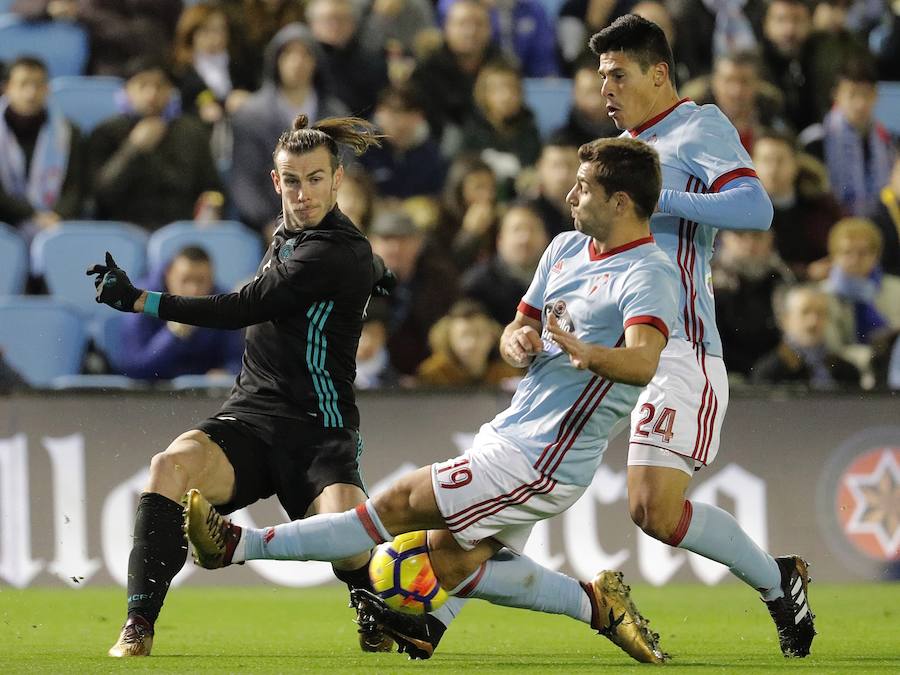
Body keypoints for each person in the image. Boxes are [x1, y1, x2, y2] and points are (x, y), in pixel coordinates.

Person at [184, 136, 678, 665]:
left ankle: (238, 544)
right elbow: (520, 328)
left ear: (621, 202)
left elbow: (644, 361)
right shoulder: (563, 248)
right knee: (450, 566)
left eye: (584, 188)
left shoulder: (648, 273)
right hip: (513, 430)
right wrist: (516, 342)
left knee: (397, 506)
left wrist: (588, 353)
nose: (570, 195)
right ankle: (597, 606)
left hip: (548, 455)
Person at [87, 115, 395, 657]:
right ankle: (138, 625)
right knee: (169, 467)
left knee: (348, 538)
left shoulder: (337, 251)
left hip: (320, 429)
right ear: (276, 183)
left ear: (338, 178)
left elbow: (244, 308)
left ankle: (375, 606)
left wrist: (142, 300)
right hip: (252, 418)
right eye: (292, 181)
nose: (303, 194)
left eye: (316, 179)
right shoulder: (290, 238)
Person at [589, 15, 815, 657]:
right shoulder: (622, 148)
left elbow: (755, 208)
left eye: (618, 75)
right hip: (619, 346)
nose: (606, 88)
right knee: (535, 468)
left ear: (658, 73)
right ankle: (440, 601)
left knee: (652, 512)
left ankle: (778, 581)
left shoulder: (699, 126)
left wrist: (660, 200)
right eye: (601, 77)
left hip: (679, 346)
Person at [230, 23, 349, 231]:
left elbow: (346, 171)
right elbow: (244, 182)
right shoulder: (250, 115)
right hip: (267, 225)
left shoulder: (336, 114)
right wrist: (270, 224)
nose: (297, 62)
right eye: (288, 54)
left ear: (317, 62)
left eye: (306, 55)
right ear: (275, 60)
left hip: (328, 222)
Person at [85, 57, 224, 231]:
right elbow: (99, 195)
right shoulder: (105, 132)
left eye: (159, 86)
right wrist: (132, 149)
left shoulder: (192, 132)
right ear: (127, 90)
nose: (151, 95)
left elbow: (213, 187)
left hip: (180, 229)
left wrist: (212, 205)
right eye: (142, 86)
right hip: (123, 229)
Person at [117, 246, 244, 380]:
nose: (193, 289)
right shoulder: (142, 301)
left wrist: (226, 372)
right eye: (185, 280)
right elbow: (135, 369)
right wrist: (172, 335)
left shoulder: (223, 303)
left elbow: (237, 360)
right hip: (153, 394)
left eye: (201, 281)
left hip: (205, 395)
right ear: (169, 275)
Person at [800, 57, 896, 217]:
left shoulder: (889, 142)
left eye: (867, 94)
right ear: (836, 95)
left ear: (876, 95)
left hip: (878, 229)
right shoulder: (815, 141)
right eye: (852, 94)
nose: (860, 103)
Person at [0, 56, 83, 238]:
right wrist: (32, 215)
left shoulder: (69, 131)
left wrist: (57, 215)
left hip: (55, 222)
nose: (31, 93)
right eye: (23, 84)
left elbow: (75, 186)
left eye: (38, 85)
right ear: (7, 88)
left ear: (47, 88)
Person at [752, 284, 860, 388]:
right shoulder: (769, 372)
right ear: (786, 320)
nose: (813, 321)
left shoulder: (847, 370)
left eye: (820, 313)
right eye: (805, 312)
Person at [462, 201, 549, 325]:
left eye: (532, 229)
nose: (525, 238)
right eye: (516, 230)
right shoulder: (477, 285)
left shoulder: (560, 280)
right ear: (500, 239)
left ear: (546, 238)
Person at [416, 299, 522, 386]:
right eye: (463, 335)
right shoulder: (433, 374)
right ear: (448, 338)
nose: (472, 343)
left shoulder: (505, 375)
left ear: (492, 337)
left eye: (479, 334)